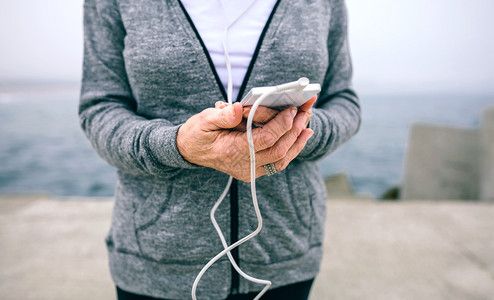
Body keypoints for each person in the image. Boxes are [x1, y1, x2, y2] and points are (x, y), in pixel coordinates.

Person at [79, 0, 361, 299]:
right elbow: (100, 107)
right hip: (156, 257)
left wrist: (291, 132)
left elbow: (343, 100)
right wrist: (176, 146)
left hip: (285, 252)